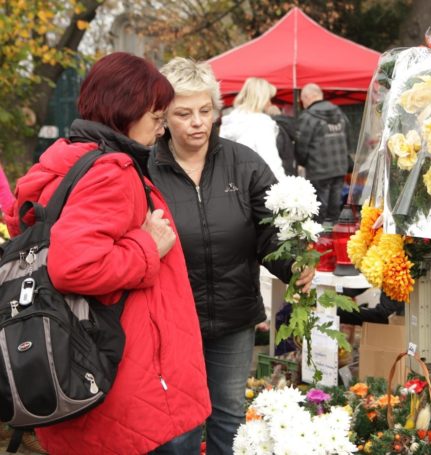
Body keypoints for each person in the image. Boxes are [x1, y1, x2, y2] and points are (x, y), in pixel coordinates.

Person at [5, 52, 210, 455]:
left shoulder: (65, 161)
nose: (161, 127)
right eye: (156, 116)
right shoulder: (109, 172)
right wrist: (147, 246)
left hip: (85, 371)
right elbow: (73, 266)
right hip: (135, 388)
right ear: (126, 111)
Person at [148, 57, 314, 455]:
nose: (197, 122)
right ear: (164, 117)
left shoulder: (243, 163)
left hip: (233, 315)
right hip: (170, 321)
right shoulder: (145, 167)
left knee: (229, 415)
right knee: (178, 424)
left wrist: (292, 264)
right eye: (183, 113)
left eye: (205, 111)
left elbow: (270, 232)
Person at [296, 83, 353, 223]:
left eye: (302, 100)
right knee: (334, 209)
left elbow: (301, 146)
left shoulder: (308, 116)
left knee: (317, 210)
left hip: (318, 169)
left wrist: (301, 162)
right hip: (339, 167)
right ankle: (332, 238)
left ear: (307, 97)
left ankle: (320, 241)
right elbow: (349, 139)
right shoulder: (340, 113)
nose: (303, 104)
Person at [219, 77, 286, 179]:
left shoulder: (231, 120)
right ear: (262, 98)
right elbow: (271, 161)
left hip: (232, 181)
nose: (269, 102)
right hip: (257, 183)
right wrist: (284, 187)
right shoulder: (261, 122)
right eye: (268, 97)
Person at [265, 104, 297, 176]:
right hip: (290, 161)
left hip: (280, 164)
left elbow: (277, 146)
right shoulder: (288, 123)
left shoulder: (274, 126)